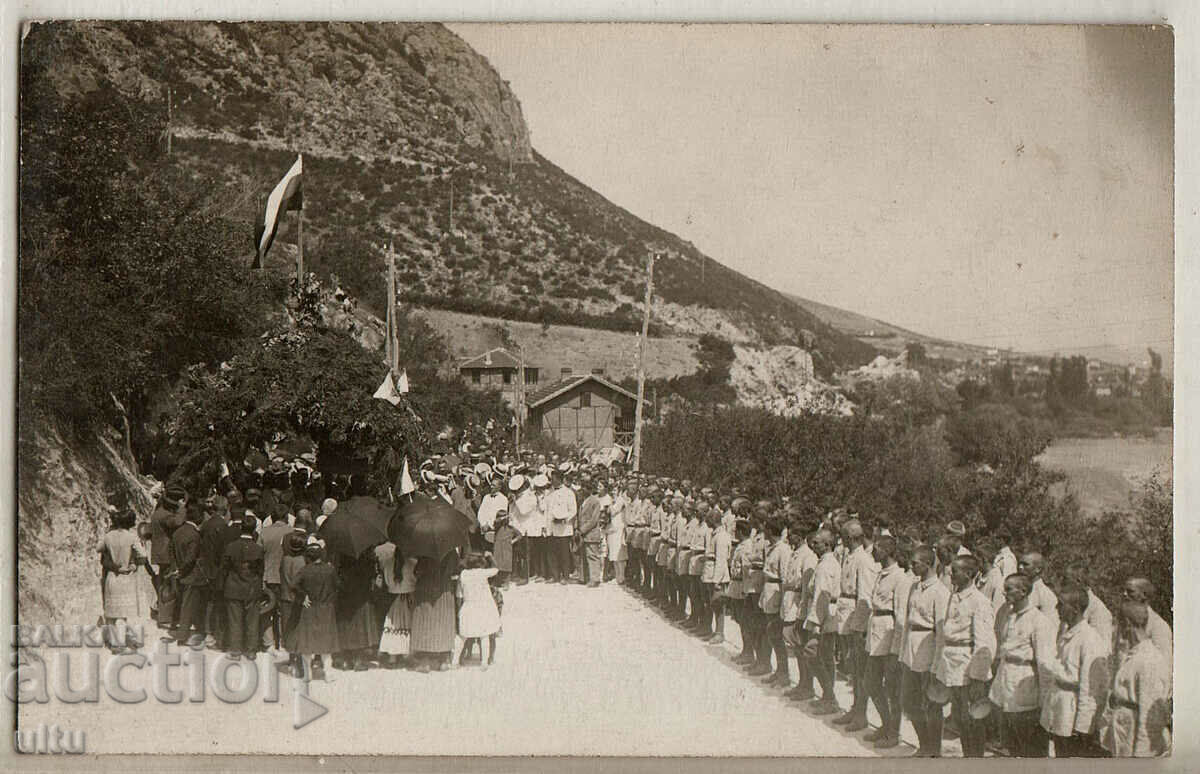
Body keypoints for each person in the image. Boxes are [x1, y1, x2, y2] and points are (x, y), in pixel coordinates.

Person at [930, 555, 995, 757]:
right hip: (950, 664)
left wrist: (978, 678)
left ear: (968, 573)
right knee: (959, 718)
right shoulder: (953, 597)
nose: (951, 575)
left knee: (971, 719)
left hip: (967, 666)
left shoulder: (979, 601)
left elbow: (984, 643)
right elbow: (943, 635)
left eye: (955, 571)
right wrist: (936, 667)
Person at [990, 572, 1057, 757]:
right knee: (1011, 744)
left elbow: (1045, 664)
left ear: (1024, 591)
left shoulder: (1039, 621)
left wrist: (1045, 702)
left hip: (1027, 687)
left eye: (1009, 589)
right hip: (1006, 683)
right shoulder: (1009, 616)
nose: (1004, 593)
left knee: (1031, 745)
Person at [1040, 584, 1109, 757]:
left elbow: (1091, 687)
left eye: (1061, 604)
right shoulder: (1067, 632)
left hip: (1072, 714)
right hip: (1059, 707)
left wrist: (1083, 726)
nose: (1056, 608)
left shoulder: (1090, 639)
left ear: (1076, 608)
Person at [1100, 601, 1171, 757]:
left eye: (1117, 624)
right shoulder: (1135, 654)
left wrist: (1142, 755)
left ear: (1126, 624)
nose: (1115, 630)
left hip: (1135, 741)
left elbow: (1151, 716)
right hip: (1125, 734)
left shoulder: (1149, 660)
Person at [899, 545, 949, 756]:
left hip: (928, 651)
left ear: (928, 564)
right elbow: (907, 621)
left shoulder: (940, 592)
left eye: (915, 563)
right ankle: (924, 743)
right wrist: (902, 653)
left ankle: (934, 749)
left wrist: (936, 665)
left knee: (931, 704)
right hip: (911, 650)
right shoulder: (914, 587)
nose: (912, 567)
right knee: (908, 702)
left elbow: (942, 632)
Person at [863, 535, 909, 749]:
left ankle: (894, 732)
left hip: (890, 637)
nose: (873, 551)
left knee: (892, 689)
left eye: (877, 548)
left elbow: (901, 617)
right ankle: (886, 723)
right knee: (871, 683)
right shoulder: (881, 573)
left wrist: (895, 650)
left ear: (887, 551)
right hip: (876, 634)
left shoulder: (900, 577)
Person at [834, 518, 877, 731]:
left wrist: (860, 628)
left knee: (860, 670)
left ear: (851, 538)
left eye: (843, 537)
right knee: (852, 667)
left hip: (855, 620)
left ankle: (861, 714)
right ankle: (855, 708)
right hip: (845, 615)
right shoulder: (850, 557)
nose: (841, 541)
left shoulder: (864, 560)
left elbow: (865, 598)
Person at [286, 539, 340, 682]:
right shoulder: (330, 569)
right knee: (326, 644)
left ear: (308, 556)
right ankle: (327, 674)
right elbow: (338, 586)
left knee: (307, 643)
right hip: (326, 608)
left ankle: (307, 673)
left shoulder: (305, 570)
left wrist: (302, 597)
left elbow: (293, 585)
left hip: (309, 609)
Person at [99, 508, 151, 653]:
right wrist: (134, 564)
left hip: (111, 576)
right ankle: (120, 642)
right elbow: (143, 555)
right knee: (123, 613)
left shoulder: (108, 536)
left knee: (111, 611)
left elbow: (99, 549)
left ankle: (112, 642)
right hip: (126, 577)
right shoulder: (131, 537)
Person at [804, 528, 842, 715]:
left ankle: (830, 697)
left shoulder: (826, 566)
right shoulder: (825, 563)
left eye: (817, 542)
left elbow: (821, 596)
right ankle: (828, 696)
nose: (813, 545)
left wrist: (814, 624)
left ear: (827, 545)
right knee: (825, 656)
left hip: (824, 616)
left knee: (812, 653)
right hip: (826, 614)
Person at [221, 514, 265, 661]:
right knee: (252, 620)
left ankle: (235, 650)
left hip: (233, 588)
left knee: (235, 620)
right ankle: (251, 651)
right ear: (254, 530)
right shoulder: (258, 549)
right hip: (252, 588)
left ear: (241, 528)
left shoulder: (230, 547)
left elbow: (224, 568)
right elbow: (260, 570)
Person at [755, 518, 791, 683]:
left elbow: (784, 577)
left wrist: (784, 603)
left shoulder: (783, 550)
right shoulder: (773, 548)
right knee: (770, 632)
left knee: (776, 634)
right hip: (769, 592)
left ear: (771, 531)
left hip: (776, 593)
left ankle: (783, 672)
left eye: (766, 530)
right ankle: (775, 668)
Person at [410, 550, 459, 672]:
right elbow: (456, 571)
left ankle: (425, 662)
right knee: (444, 621)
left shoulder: (425, 551)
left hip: (426, 590)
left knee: (425, 622)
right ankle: (444, 661)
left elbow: (417, 572)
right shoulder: (452, 552)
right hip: (445, 590)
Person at [149, 486, 188, 637]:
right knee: (168, 585)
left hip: (160, 552)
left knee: (166, 583)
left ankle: (164, 614)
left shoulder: (158, 512)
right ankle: (165, 617)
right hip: (165, 553)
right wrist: (182, 508)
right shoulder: (165, 516)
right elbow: (177, 522)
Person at [455, 553, 502, 670]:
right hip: (483, 607)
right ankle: (484, 662)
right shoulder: (482, 573)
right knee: (484, 635)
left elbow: (459, 595)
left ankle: (454, 661)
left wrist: (459, 609)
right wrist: (490, 556)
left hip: (468, 607)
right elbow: (496, 569)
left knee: (462, 636)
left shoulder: (463, 574)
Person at [171, 504, 207, 647]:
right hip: (191, 575)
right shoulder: (195, 535)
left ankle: (189, 632)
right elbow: (191, 558)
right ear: (198, 518)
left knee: (184, 604)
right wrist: (182, 570)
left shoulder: (177, 532)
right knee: (188, 606)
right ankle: (183, 636)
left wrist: (176, 570)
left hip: (180, 575)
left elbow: (172, 554)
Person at [379, 545, 418, 668]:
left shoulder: (387, 563)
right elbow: (414, 581)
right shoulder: (412, 563)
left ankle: (392, 657)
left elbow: (386, 581)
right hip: (407, 597)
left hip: (393, 599)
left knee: (393, 626)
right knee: (406, 625)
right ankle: (407, 655)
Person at [545, 470, 578, 584]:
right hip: (552, 528)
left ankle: (565, 576)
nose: (552, 481)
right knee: (552, 553)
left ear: (560, 479)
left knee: (564, 554)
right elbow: (547, 511)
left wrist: (564, 519)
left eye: (553, 479)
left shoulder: (569, 493)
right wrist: (546, 526)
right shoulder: (549, 493)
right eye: (551, 479)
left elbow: (573, 510)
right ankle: (555, 575)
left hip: (564, 528)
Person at [1018, 551, 1060, 633]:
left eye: (1025, 564)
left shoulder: (1046, 595)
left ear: (1038, 569)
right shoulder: (1015, 589)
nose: (1020, 567)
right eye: (1019, 564)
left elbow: (1050, 627)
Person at [578, 479, 608, 587]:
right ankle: (584, 577)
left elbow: (594, 520)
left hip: (591, 532)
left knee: (592, 555)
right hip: (584, 533)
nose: (583, 490)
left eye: (585, 488)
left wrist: (583, 529)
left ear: (590, 489)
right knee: (584, 555)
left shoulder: (595, 501)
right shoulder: (583, 501)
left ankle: (595, 579)